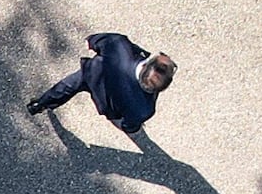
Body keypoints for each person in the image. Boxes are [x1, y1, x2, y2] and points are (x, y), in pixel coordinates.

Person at [27, 33, 175, 135]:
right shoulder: (145, 110)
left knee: (66, 87)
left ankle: (40, 104)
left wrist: (92, 42)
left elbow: (95, 41)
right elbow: (129, 127)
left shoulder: (119, 47)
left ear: (145, 66)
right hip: (108, 106)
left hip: (93, 74)